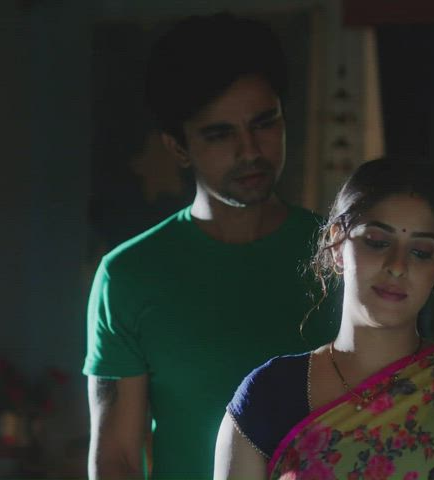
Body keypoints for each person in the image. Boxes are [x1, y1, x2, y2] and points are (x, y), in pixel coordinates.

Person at [83, 13, 336, 479]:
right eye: (220, 134)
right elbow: (116, 457)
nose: (250, 150)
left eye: (264, 123)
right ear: (178, 147)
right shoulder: (130, 276)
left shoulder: (340, 257)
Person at [214, 157, 434, 479]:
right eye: (377, 242)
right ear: (337, 244)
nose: (398, 266)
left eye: (421, 252)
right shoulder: (269, 396)